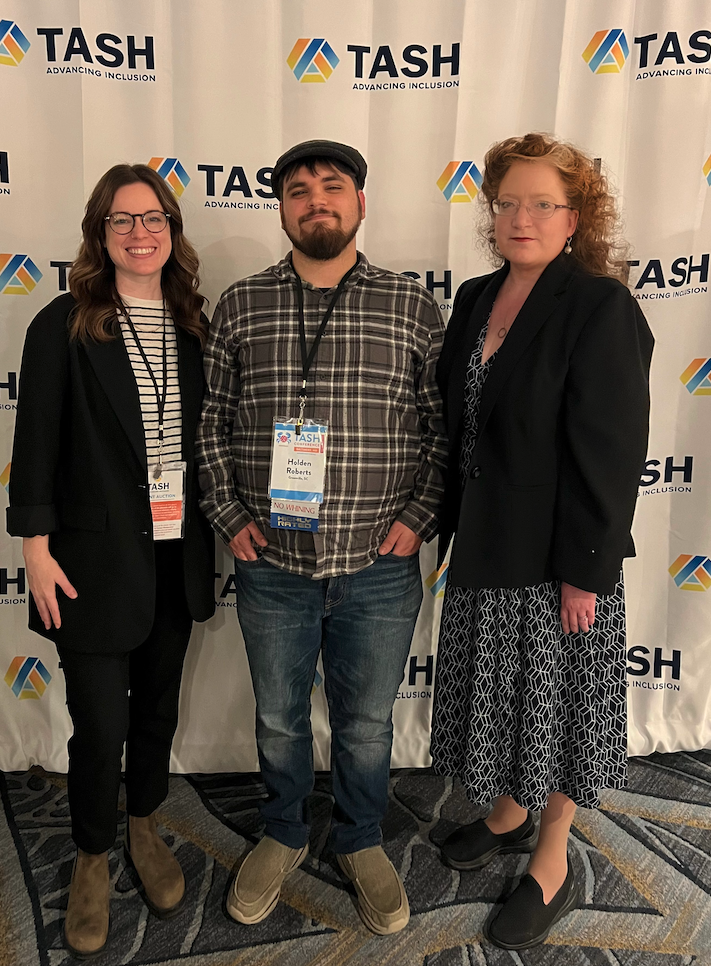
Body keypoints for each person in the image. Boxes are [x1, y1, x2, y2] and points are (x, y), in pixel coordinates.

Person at [196, 139, 447, 934]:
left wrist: (417, 518)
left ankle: (360, 836)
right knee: (278, 717)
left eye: (332, 187)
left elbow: (444, 430)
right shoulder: (241, 304)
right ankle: (283, 830)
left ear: (360, 202)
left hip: (379, 562)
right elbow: (210, 423)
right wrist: (229, 515)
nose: (316, 201)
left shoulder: (411, 306)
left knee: (366, 723)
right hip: (271, 561)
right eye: (298, 190)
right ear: (282, 208)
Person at [430, 132, 653, 950]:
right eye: (507, 202)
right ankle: (506, 812)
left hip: (562, 561)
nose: (521, 218)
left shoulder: (599, 306)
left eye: (543, 204)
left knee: (556, 712)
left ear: (575, 218)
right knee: (505, 702)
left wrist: (585, 571)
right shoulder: (474, 298)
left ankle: (550, 859)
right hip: (486, 546)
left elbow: (612, 453)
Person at [6, 164, 216, 958]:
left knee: (157, 709)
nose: (139, 232)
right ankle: (92, 854)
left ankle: (143, 824)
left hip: (176, 556)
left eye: (153, 217)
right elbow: (35, 444)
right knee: (100, 725)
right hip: (89, 563)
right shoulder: (64, 323)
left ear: (171, 230)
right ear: (101, 233)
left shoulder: (193, 324)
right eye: (121, 220)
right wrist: (34, 550)